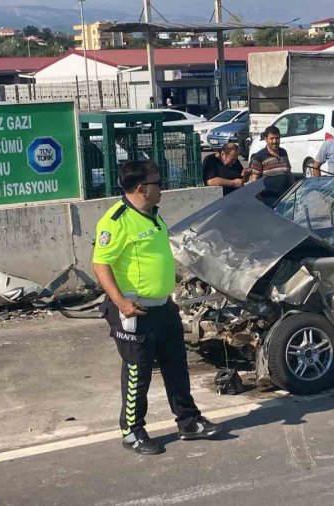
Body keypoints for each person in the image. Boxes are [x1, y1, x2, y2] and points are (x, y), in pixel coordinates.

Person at [92, 159, 222, 455]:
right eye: (157, 183)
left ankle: (188, 421)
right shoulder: (116, 221)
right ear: (141, 188)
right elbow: (100, 264)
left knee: (176, 365)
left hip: (163, 307)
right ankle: (132, 431)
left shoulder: (152, 215)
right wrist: (121, 303)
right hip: (135, 310)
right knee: (138, 372)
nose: (162, 187)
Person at [249, 126, 293, 205]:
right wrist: (258, 200)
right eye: (271, 138)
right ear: (266, 139)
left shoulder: (283, 152)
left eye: (277, 138)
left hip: (285, 197)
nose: (275, 141)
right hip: (268, 199)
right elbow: (254, 179)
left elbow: (289, 173)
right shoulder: (259, 156)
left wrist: (293, 190)